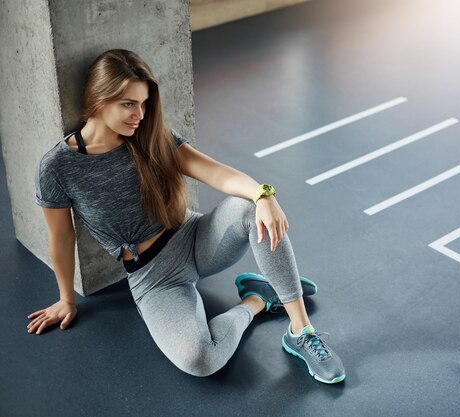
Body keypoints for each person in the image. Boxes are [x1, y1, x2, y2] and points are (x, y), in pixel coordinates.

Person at [27, 49, 345, 384]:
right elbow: (62, 236)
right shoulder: (58, 167)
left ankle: (301, 331)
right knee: (200, 360)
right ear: (98, 98)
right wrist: (65, 299)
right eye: (128, 104)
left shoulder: (150, 136)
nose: (139, 114)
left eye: (144, 103)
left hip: (195, 238)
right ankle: (257, 300)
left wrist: (263, 194)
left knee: (252, 208)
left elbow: (216, 173)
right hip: (153, 277)